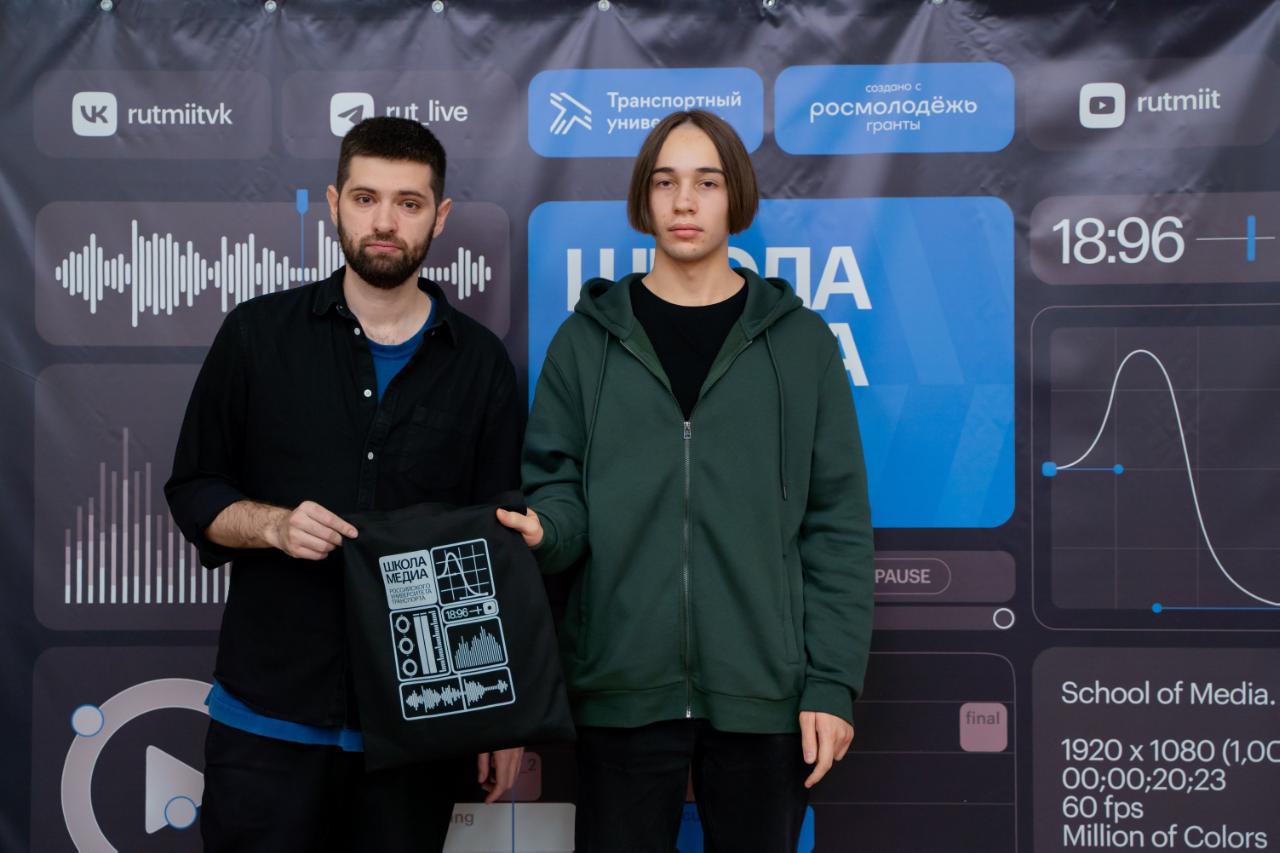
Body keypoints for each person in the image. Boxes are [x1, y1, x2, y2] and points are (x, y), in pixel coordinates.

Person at [498, 109, 875, 851]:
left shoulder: (802, 344)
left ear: (735, 197)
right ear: (644, 198)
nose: (684, 202)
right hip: (620, 687)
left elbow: (836, 525)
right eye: (666, 182)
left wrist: (831, 684)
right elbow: (556, 492)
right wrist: (548, 530)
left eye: (706, 182)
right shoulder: (585, 342)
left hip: (765, 692)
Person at [165, 116, 524, 853]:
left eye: (408, 202)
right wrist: (272, 525)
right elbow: (194, 488)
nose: (384, 222)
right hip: (266, 719)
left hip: (417, 729)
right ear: (334, 204)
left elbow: (500, 548)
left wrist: (503, 713)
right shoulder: (256, 335)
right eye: (365, 198)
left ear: (439, 216)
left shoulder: (481, 364)